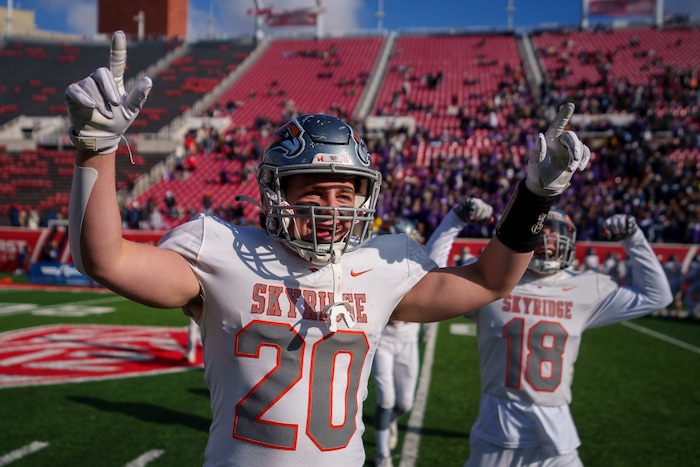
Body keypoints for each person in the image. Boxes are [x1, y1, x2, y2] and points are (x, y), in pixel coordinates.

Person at [64, 31, 589, 467]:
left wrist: (535, 198)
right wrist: (98, 150)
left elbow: (490, 281)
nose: (331, 205)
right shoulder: (223, 251)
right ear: (276, 192)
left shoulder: (381, 266)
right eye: (312, 189)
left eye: (345, 192)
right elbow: (106, 260)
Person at [429, 207, 672, 467]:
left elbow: (657, 296)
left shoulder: (587, 287)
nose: (549, 240)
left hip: (557, 436)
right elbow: (431, 281)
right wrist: (455, 218)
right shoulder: (494, 282)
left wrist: (633, 237)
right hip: (500, 428)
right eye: (542, 232)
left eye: (555, 234)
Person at [372, 199, 493, 467]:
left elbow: (434, 262)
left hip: (407, 340)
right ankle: (382, 455)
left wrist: (455, 218)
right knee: (387, 398)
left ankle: (390, 421)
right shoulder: (372, 272)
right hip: (383, 343)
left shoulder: (414, 270)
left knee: (404, 404)